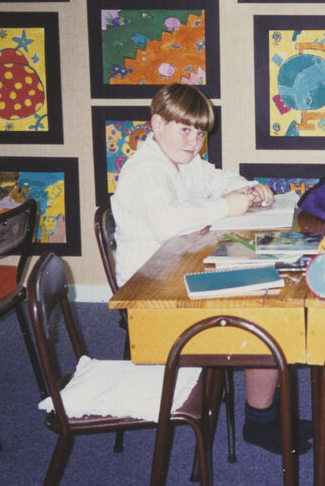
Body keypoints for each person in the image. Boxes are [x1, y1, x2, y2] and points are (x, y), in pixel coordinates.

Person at [110, 84, 309, 455]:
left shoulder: (183, 162)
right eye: (185, 129)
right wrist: (226, 207)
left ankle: (266, 414)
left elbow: (217, 179)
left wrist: (249, 188)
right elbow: (168, 224)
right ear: (157, 125)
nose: (194, 141)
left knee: (270, 289)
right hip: (153, 297)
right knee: (265, 313)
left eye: (200, 133)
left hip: (177, 272)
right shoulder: (145, 170)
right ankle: (260, 421)